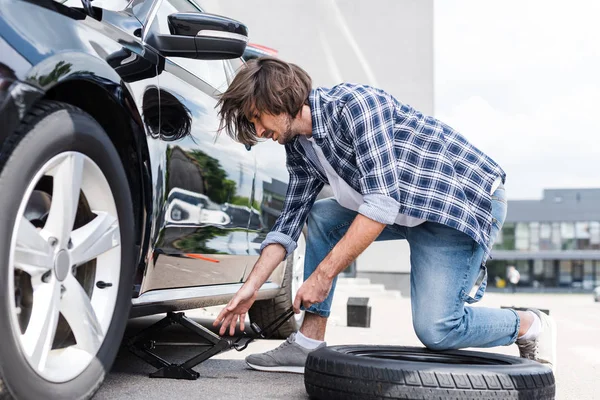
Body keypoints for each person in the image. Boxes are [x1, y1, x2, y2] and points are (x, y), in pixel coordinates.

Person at [212, 57, 556, 373]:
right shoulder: (298, 146)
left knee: (438, 329)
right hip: (403, 207)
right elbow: (289, 222)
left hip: (457, 203)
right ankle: (308, 343)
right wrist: (251, 288)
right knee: (320, 216)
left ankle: (529, 323)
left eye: (257, 118)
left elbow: (381, 204)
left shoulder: (355, 106)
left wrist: (322, 275)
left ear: (279, 99)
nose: (258, 132)